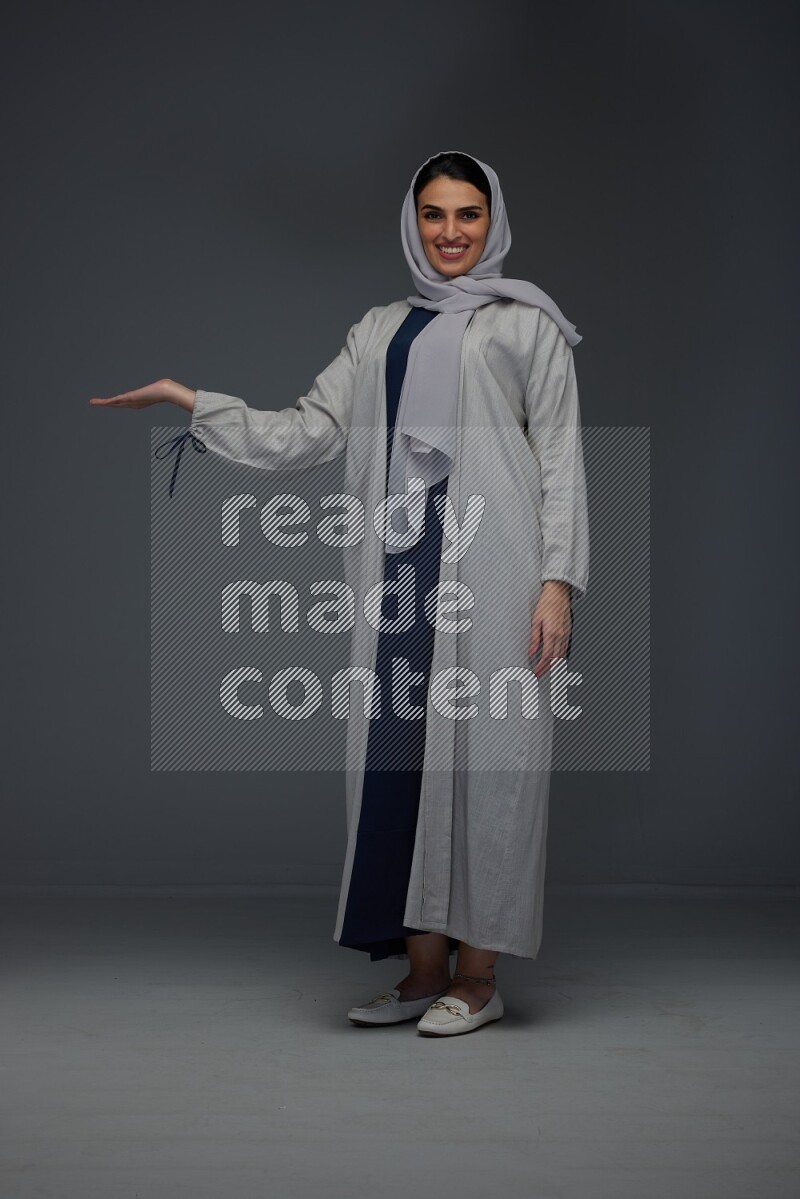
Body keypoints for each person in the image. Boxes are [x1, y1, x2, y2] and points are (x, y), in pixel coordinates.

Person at [89, 150, 589, 1037]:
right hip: (399, 572)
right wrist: (191, 401)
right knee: (397, 765)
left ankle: (478, 979)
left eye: (468, 214)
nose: (450, 232)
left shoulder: (528, 327)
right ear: (412, 222)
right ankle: (421, 973)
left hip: (496, 569)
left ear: (493, 221)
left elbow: (559, 456)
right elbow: (310, 430)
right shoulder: (379, 330)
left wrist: (559, 581)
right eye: (433, 214)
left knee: (490, 767)